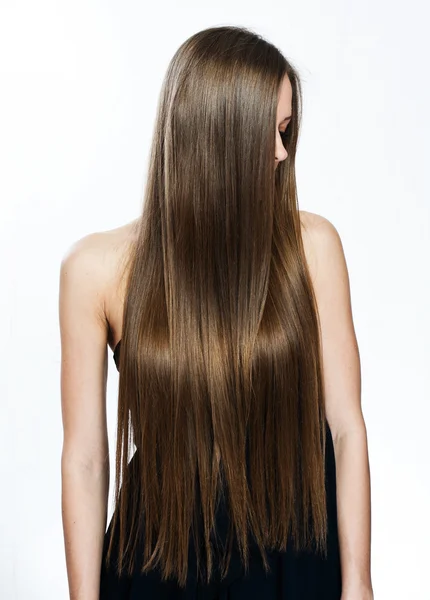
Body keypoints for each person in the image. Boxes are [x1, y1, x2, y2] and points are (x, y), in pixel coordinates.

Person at [59, 25, 373, 600]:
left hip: (294, 558)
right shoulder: (95, 269)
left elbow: (347, 428)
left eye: (287, 131)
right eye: (269, 132)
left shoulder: (314, 247)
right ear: (213, 134)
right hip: (162, 558)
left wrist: (358, 581)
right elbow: (84, 457)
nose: (283, 152)